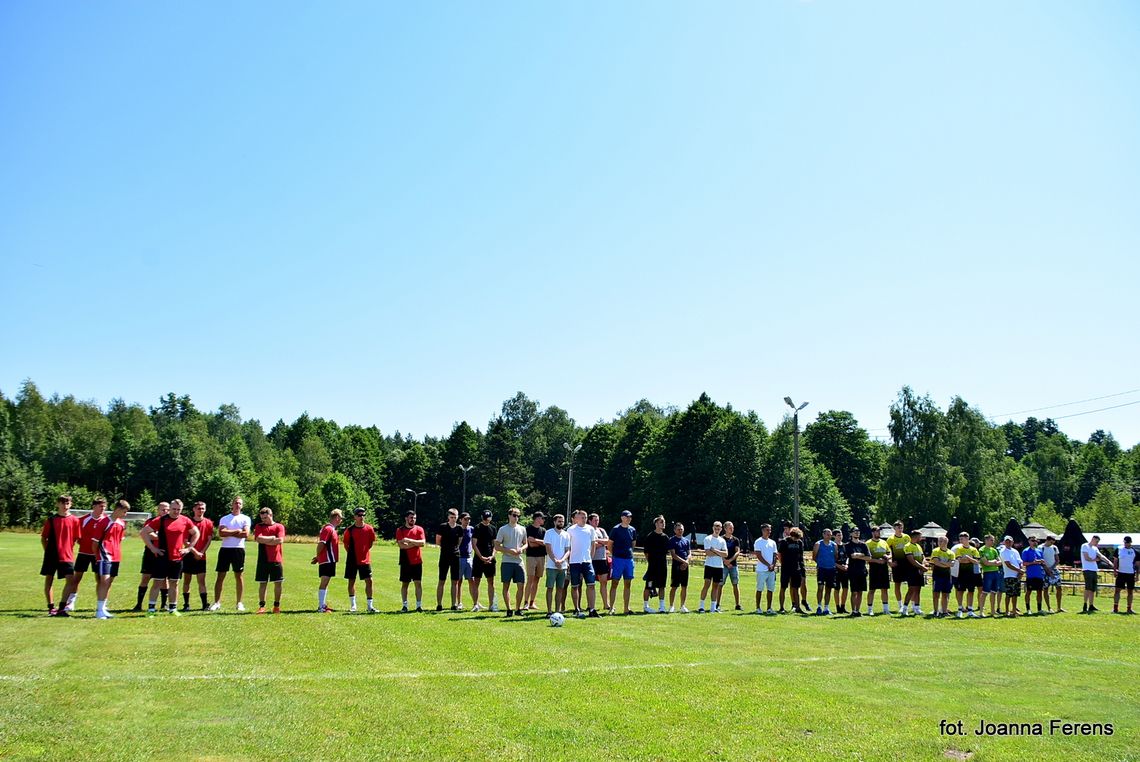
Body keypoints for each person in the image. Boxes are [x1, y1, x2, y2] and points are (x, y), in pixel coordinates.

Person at [141, 499, 200, 616]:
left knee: (174, 583)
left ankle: (173, 609)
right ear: (170, 509)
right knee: (157, 583)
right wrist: (153, 548)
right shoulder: (161, 520)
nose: (176, 512)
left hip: (177, 558)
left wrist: (188, 548)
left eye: (179, 510)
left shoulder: (185, 520)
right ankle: (151, 609)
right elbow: (144, 532)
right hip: (162, 557)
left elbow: (196, 533)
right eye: (174, 509)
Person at [62, 497, 110, 614]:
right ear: (94, 506)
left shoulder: (106, 521)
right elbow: (77, 536)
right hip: (83, 553)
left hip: (98, 556)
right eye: (100, 506)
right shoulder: (83, 520)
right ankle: (71, 602)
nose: (102, 509)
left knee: (101, 580)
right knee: (76, 578)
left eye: (104, 507)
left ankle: (102, 604)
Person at [41, 494, 79, 616]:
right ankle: (51, 607)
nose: (65, 505)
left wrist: (67, 548)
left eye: (67, 503)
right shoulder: (51, 520)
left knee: (71, 580)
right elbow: (44, 538)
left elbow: (75, 538)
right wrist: (48, 551)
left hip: (66, 555)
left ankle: (62, 607)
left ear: (71, 504)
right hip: (51, 555)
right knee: (49, 580)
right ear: (57, 504)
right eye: (62, 503)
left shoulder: (75, 520)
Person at [210, 497, 251, 612]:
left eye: (240, 503)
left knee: (239, 576)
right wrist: (237, 531)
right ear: (232, 504)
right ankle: (217, 602)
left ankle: (239, 603)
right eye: (236, 503)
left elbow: (245, 534)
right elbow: (221, 533)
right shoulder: (225, 518)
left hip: (238, 549)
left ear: (242, 506)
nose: (238, 505)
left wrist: (230, 532)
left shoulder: (245, 519)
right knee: (220, 576)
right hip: (225, 549)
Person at [94, 500, 130, 619]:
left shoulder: (121, 523)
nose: (125, 514)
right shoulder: (103, 522)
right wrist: (97, 556)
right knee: (104, 581)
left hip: (116, 556)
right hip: (105, 556)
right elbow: (94, 542)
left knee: (109, 582)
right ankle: (99, 610)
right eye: (124, 512)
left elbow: (119, 540)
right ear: (118, 509)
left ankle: (103, 609)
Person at [132, 502, 169, 612]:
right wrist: (162, 537)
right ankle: (139, 604)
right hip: (150, 553)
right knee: (145, 578)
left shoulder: (170, 522)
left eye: (167, 510)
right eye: (163, 510)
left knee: (164, 580)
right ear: (158, 510)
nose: (165, 512)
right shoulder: (151, 521)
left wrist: (156, 536)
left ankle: (164, 605)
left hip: (163, 554)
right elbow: (148, 534)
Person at [343, 508, 378, 613]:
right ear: (354, 517)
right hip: (352, 560)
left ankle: (370, 606)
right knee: (351, 581)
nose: (361, 517)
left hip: (365, 560)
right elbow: (346, 544)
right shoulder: (349, 530)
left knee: (369, 581)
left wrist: (364, 552)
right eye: (359, 515)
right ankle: (353, 606)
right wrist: (352, 553)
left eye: (363, 515)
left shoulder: (369, 529)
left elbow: (371, 542)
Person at [181, 501, 214, 611]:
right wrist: (195, 552)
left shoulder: (208, 523)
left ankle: (205, 605)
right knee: (187, 580)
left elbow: (209, 539)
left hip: (201, 556)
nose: (201, 510)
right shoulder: (188, 523)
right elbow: (185, 540)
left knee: (202, 581)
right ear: (194, 509)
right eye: (199, 508)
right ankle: (186, 605)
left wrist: (202, 552)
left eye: (203, 508)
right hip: (189, 555)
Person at [567, 510, 601, 618]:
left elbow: (593, 545)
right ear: (576, 518)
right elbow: (568, 546)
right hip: (574, 561)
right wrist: (568, 560)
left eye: (585, 517)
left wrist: (590, 558)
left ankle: (592, 609)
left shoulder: (590, 529)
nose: (584, 519)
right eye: (581, 517)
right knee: (575, 586)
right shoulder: (571, 530)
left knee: (591, 585)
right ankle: (576, 609)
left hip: (587, 562)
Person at [494, 507, 527, 616]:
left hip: (519, 562)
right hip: (507, 561)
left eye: (518, 515)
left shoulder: (522, 529)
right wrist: (509, 551)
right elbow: (497, 546)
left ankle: (518, 609)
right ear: (509, 515)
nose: (516, 517)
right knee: (506, 586)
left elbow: (526, 543)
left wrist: (521, 549)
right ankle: (509, 609)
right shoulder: (503, 529)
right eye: (514, 515)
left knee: (521, 585)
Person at [253, 507, 285, 614]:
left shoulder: (279, 526)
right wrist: (272, 538)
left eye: (265, 518)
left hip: (276, 559)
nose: (263, 520)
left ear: (271, 515)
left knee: (278, 583)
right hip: (263, 559)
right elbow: (258, 539)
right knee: (263, 583)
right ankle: (262, 606)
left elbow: (280, 540)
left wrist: (265, 540)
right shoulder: (259, 526)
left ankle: (276, 606)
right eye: (262, 518)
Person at [312, 509, 343, 613]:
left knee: (326, 582)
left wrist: (317, 557)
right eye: (341, 517)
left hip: (329, 560)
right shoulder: (328, 529)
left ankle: (323, 605)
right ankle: (321, 607)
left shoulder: (331, 529)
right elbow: (321, 543)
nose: (341, 520)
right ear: (337, 517)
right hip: (327, 560)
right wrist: (318, 556)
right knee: (324, 582)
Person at [396, 510, 426, 612]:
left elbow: (422, 543)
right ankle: (405, 606)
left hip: (417, 561)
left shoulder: (419, 529)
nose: (412, 519)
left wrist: (409, 540)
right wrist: (415, 543)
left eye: (414, 518)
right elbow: (401, 546)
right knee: (405, 584)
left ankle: (418, 606)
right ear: (406, 518)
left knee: (418, 583)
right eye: (411, 517)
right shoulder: (400, 530)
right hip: (405, 561)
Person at [608, 510, 637, 615]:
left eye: (630, 517)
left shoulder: (632, 530)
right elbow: (610, 544)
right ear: (622, 517)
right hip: (618, 559)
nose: (629, 518)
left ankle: (626, 608)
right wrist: (614, 554)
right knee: (615, 582)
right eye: (627, 517)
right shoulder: (616, 529)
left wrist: (629, 553)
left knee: (628, 583)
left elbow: (633, 543)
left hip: (628, 559)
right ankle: (611, 607)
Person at [435, 508, 464, 611]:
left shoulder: (459, 528)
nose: (453, 519)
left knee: (455, 581)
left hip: (455, 556)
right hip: (444, 556)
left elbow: (459, 541)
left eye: (455, 517)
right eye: (451, 517)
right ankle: (439, 604)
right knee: (441, 580)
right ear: (448, 517)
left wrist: (454, 549)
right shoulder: (442, 527)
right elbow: (438, 541)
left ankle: (453, 604)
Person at [543, 513, 570, 617]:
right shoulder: (549, 533)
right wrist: (555, 561)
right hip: (551, 565)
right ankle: (549, 611)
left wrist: (562, 561)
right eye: (559, 521)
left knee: (560, 588)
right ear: (554, 522)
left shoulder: (566, 534)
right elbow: (548, 548)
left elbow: (568, 550)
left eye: (562, 521)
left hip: (563, 566)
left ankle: (557, 611)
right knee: (550, 588)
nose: (561, 523)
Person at [641, 515, 669, 614]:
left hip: (663, 565)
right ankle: (646, 606)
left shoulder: (665, 537)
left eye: (664, 522)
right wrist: (651, 562)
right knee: (649, 586)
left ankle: (661, 606)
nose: (663, 523)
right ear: (656, 524)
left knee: (662, 586)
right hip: (652, 566)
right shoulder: (650, 536)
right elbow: (646, 552)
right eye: (661, 522)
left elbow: (666, 552)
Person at [698, 521, 728, 613]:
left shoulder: (722, 540)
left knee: (715, 586)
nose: (717, 529)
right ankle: (701, 606)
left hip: (719, 566)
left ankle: (713, 607)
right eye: (715, 527)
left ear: (721, 529)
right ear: (713, 528)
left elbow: (726, 554)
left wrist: (714, 550)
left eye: (719, 527)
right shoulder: (708, 539)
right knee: (706, 584)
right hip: (709, 565)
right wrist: (719, 553)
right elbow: (708, 553)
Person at [471, 510, 498, 612]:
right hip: (478, 559)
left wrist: (492, 556)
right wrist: (481, 557)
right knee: (476, 581)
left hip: (490, 558)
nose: (487, 520)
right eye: (485, 518)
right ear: (482, 517)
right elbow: (474, 544)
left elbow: (495, 544)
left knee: (491, 582)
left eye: (488, 518)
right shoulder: (477, 528)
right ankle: (475, 604)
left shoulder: (493, 528)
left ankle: (491, 605)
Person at [951, 531, 981, 618]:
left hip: (971, 574)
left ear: (967, 539)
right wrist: (970, 559)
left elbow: (977, 561)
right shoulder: (958, 549)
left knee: (971, 591)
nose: (960, 540)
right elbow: (960, 560)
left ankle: (970, 610)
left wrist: (967, 557)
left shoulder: (973, 549)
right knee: (960, 591)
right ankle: (960, 609)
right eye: (960, 539)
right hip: (961, 573)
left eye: (962, 539)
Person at [1080, 535, 1112, 614]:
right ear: (1092, 539)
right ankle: (1085, 605)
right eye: (1096, 541)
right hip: (1087, 569)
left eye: (1098, 542)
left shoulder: (1095, 548)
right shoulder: (1085, 546)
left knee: (1093, 589)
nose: (1097, 543)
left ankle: (1091, 605)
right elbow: (1086, 558)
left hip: (1094, 570)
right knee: (1088, 588)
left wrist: (1109, 562)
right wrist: (1095, 559)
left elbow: (1101, 556)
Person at [778, 527, 807, 614]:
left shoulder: (800, 542)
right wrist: (783, 563)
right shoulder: (784, 542)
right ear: (791, 535)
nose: (796, 539)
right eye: (795, 537)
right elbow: (779, 554)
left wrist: (802, 568)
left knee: (795, 588)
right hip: (786, 568)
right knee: (783, 587)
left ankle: (797, 607)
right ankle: (781, 608)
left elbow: (800, 557)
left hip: (796, 568)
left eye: (797, 538)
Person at [865, 525, 891, 616]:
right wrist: (876, 561)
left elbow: (889, 552)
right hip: (874, 568)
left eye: (879, 531)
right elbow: (866, 558)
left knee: (884, 589)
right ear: (873, 533)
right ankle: (870, 609)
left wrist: (888, 557)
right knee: (872, 589)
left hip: (883, 568)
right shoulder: (868, 543)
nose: (879, 533)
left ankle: (886, 609)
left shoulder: (884, 542)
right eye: (877, 531)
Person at [523, 511, 546, 611]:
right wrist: (539, 543)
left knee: (537, 580)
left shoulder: (544, 530)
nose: (544, 520)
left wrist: (535, 540)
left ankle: (532, 602)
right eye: (542, 518)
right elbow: (530, 545)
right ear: (537, 518)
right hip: (531, 557)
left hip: (541, 557)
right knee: (530, 579)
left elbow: (545, 543)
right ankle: (526, 603)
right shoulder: (528, 529)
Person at [844, 527, 870, 617]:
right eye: (855, 532)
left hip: (862, 571)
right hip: (853, 571)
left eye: (858, 531)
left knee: (860, 592)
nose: (857, 533)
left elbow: (869, 557)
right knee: (854, 592)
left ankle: (858, 611)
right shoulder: (848, 545)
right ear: (851, 533)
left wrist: (858, 555)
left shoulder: (863, 545)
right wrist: (862, 555)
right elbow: (851, 556)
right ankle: (853, 611)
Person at [753, 523, 778, 614]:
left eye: (770, 530)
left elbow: (775, 555)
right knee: (760, 588)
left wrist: (773, 565)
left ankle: (769, 608)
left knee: (770, 589)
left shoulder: (773, 542)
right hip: (761, 569)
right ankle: (758, 607)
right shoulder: (758, 541)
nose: (769, 532)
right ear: (763, 530)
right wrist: (768, 565)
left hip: (771, 570)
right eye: (767, 530)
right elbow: (758, 555)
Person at [812, 528, 838, 615]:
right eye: (827, 534)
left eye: (830, 535)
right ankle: (819, 606)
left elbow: (835, 556)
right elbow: (814, 556)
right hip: (822, 569)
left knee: (828, 589)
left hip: (831, 569)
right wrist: (820, 563)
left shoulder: (834, 545)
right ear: (823, 535)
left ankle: (826, 608)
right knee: (820, 588)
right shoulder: (818, 544)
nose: (829, 536)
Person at [717, 521, 742, 611]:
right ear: (725, 529)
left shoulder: (736, 540)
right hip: (722, 565)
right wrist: (725, 561)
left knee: (735, 584)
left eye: (733, 527)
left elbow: (737, 551)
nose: (732, 529)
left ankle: (738, 604)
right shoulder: (720, 539)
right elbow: (718, 551)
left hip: (733, 565)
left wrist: (730, 561)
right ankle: (717, 604)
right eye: (730, 527)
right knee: (720, 584)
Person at [901, 530, 926, 617]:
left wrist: (923, 565)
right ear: (915, 536)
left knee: (918, 589)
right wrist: (922, 567)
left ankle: (917, 608)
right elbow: (911, 560)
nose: (921, 538)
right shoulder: (908, 546)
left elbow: (923, 557)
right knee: (911, 589)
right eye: (920, 536)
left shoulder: (918, 546)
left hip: (919, 571)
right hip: (911, 571)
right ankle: (904, 609)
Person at [667, 522, 692, 613]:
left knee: (684, 586)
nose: (680, 531)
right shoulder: (672, 540)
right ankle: (671, 606)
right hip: (676, 566)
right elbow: (673, 555)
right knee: (674, 586)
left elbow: (689, 553)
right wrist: (683, 562)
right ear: (675, 530)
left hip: (685, 566)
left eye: (681, 529)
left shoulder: (686, 541)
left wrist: (687, 562)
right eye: (678, 529)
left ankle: (682, 606)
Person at [589, 514, 611, 612]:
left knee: (604, 583)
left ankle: (606, 604)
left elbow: (608, 541)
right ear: (589, 521)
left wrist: (597, 541)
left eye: (597, 520)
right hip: (592, 560)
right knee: (591, 584)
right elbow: (591, 545)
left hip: (602, 559)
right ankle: (590, 605)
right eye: (595, 520)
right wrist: (600, 543)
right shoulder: (588, 531)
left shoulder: (601, 530)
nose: (597, 522)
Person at [887, 520, 910, 614]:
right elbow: (886, 551)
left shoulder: (907, 537)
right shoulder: (890, 539)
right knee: (897, 584)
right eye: (898, 528)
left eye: (901, 527)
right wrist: (889, 562)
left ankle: (911, 604)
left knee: (911, 585)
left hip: (907, 564)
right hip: (897, 565)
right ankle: (900, 605)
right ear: (894, 529)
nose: (900, 529)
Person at [998, 535, 1024, 617]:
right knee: (1009, 594)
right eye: (1006, 541)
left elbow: (1020, 562)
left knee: (1015, 594)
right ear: (1004, 542)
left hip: (1017, 575)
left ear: (1012, 542)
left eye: (1010, 541)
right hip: (1009, 575)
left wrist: (1020, 572)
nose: (1008, 542)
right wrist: (1019, 570)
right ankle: (1006, 611)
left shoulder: (1015, 551)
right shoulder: (1003, 552)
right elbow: (1008, 564)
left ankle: (1014, 610)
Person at [929, 535, 954, 617]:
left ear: (946, 542)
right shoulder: (935, 551)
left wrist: (942, 563)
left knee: (945, 594)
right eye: (938, 541)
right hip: (937, 575)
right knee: (936, 593)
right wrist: (946, 564)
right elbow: (935, 562)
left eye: (941, 541)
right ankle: (936, 611)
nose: (939, 543)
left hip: (947, 576)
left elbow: (952, 564)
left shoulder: (951, 553)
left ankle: (944, 611)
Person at [978, 534, 1002, 618]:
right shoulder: (981, 550)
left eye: (993, 540)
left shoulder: (994, 550)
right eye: (991, 540)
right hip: (987, 573)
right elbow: (985, 563)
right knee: (985, 592)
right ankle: (981, 611)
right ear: (986, 540)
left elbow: (1000, 562)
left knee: (994, 592)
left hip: (996, 572)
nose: (993, 542)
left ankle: (993, 611)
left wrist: (992, 562)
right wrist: (994, 562)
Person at [1021, 536, 1046, 615]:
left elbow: (1042, 561)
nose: (1034, 542)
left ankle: (1039, 609)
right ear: (1029, 541)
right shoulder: (1026, 551)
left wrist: (1041, 561)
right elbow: (1024, 563)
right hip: (1031, 575)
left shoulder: (1039, 551)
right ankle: (1028, 609)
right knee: (1029, 592)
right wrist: (1033, 563)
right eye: (1032, 540)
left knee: (1039, 592)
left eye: (1035, 541)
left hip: (1039, 574)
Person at [1114, 536, 1136, 615]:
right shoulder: (1119, 549)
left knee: (1130, 591)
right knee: (1117, 590)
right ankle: (1115, 607)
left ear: (1130, 542)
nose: (1125, 544)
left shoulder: (1134, 551)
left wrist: (1137, 575)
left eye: (1127, 542)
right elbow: (1115, 561)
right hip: (1121, 573)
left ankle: (1129, 608)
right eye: (1125, 542)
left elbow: (1137, 564)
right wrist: (1115, 570)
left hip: (1130, 574)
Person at [1041, 535, 1064, 613]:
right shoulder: (1041, 548)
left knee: (1059, 588)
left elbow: (1057, 560)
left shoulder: (1054, 548)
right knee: (1046, 589)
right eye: (1051, 542)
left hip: (1054, 569)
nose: (1052, 544)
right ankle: (1049, 608)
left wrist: (1052, 568)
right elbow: (1041, 561)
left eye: (1053, 543)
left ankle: (1059, 607)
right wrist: (1047, 570)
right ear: (1047, 540)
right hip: (1044, 570)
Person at [458, 512, 475, 607]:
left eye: (468, 519)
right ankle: (459, 602)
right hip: (459, 558)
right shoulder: (457, 529)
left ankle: (475, 602)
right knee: (458, 581)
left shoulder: (471, 529)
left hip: (469, 557)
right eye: (465, 519)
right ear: (460, 520)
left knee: (471, 580)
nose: (467, 521)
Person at [833, 529, 849, 614]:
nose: (840, 537)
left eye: (841, 535)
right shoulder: (832, 545)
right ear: (834, 536)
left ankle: (843, 606)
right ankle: (837, 607)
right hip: (836, 570)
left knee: (845, 588)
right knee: (837, 589)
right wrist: (839, 566)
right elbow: (831, 559)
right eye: (838, 535)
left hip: (845, 570)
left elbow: (848, 557)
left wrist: (846, 565)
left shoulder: (845, 545)